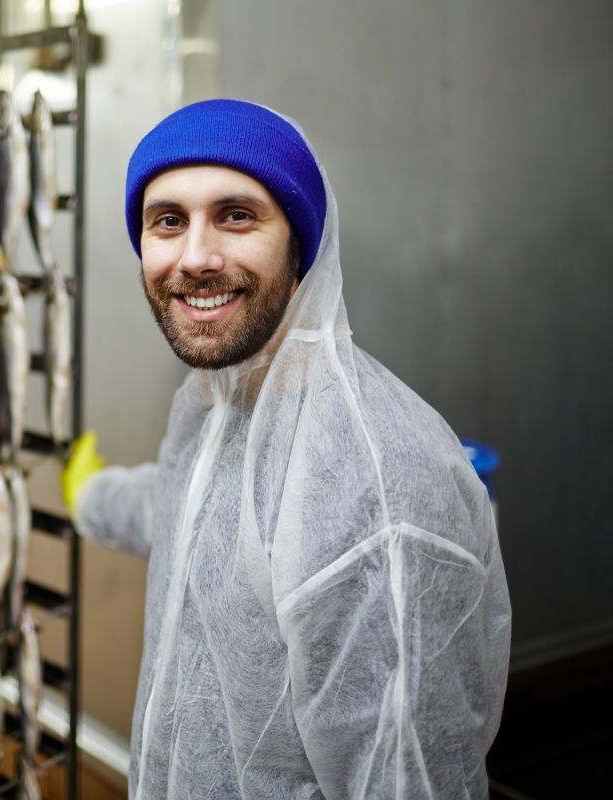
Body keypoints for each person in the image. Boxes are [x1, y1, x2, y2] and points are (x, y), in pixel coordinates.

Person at [62, 99, 511, 799]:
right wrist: (94, 497)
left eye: (237, 215)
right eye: (168, 220)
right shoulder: (227, 405)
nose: (197, 257)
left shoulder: (377, 485)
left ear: (299, 245)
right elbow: (196, 520)